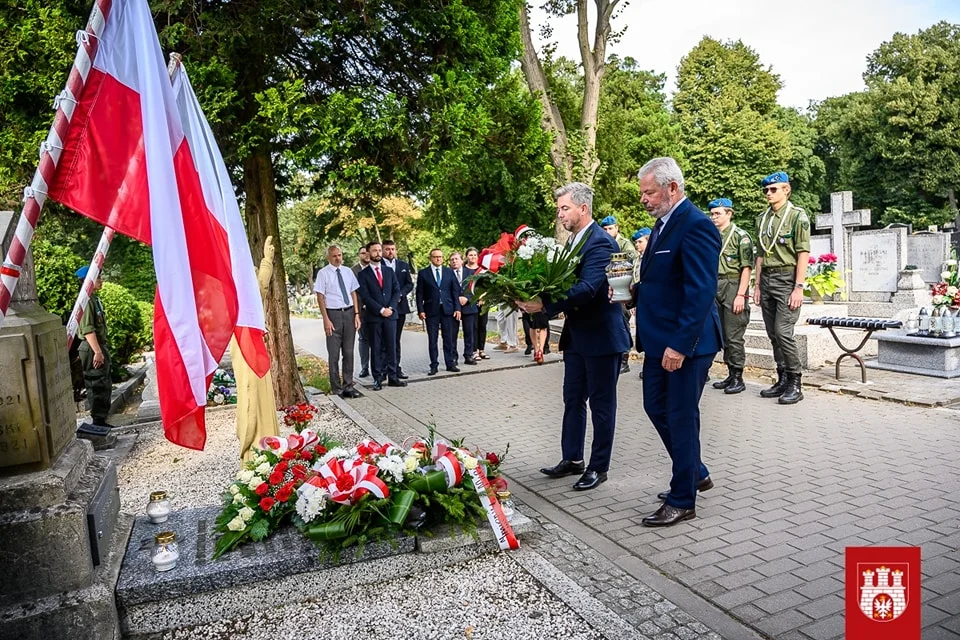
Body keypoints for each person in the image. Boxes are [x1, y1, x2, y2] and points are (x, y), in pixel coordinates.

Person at [518, 182, 630, 492]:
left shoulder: (601, 243)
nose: (560, 213)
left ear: (583, 208)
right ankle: (572, 458)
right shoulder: (570, 243)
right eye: (559, 209)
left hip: (602, 338)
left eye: (565, 208)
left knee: (602, 405)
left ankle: (598, 467)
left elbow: (588, 288)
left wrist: (545, 305)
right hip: (578, 337)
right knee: (572, 400)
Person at [632, 157, 722, 527]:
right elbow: (661, 281)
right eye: (642, 193)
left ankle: (683, 497)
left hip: (686, 343)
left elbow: (700, 291)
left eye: (649, 192)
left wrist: (680, 345)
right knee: (656, 407)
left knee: (682, 418)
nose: (644, 200)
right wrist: (629, 291)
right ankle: (695, 470)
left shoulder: (696, 225)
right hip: (657, 340)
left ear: (672, 188)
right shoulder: (662, 225)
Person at [753, 171, 810, 405]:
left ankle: (796, 382)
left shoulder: (797, 216)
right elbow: (759, 254)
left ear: (786, 190)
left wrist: (799, 287)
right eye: (766, 190)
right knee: (772, 334)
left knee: (784, 332)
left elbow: (803, 253)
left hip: (787, 279)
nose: (768, 193)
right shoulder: (761, 218)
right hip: (766, 278)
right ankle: (782, 378)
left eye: (773, 189)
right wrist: (756, 285)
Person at [232, 236, 280, 459]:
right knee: (251, 392)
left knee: (261, 392)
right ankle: (253, 448)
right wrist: (266, 262)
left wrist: (266, 262)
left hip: (252, 336)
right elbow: (257, 290)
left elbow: (258, 290)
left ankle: (266, 440)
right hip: (243, 339)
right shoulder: (232, 276)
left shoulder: (240, 271)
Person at [709, 199, 755, 395]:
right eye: (712, 214)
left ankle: (738, 376)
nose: (714, 217)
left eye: (718, 213)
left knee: (734, 333)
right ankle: (729, 373)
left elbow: (746, 267)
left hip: (733, 283)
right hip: (714, 283)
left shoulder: (740, 237)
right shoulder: (711, 236)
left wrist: (741, 295)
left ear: (729, 214)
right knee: (720, 333)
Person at [356, 242, 406, 391]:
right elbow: (365, 296)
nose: (378, 253)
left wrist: (390, 307)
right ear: (368, 253)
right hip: (374, 317)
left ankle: (393, 376)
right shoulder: (363, 274)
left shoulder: (389, 271)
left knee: (392, 346)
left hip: (391, 315)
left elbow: (397, 291)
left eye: (379, 250)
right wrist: (380, 310)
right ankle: (377, 378)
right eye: (374, 251)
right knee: (376, 348)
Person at [314, 244, 362, 399]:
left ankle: (348, 386)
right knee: (334, 354)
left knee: (348, 352)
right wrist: (326, 319)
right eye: (334, 255)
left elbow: (353, 292)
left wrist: (356, 314)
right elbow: (320, 297)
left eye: (340, 255)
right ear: (328, 257)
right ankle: (337, 388)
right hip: (333, 314)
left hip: (348, 313)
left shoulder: (348, 272)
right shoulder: (323, 273)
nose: (338, 258)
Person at [76, 266, 114, 428]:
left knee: (103, 382)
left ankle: (101, 418)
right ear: (88, 281)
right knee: (97, 383)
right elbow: (87, 329)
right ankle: (98, 421)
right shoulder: (85, 301)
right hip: (92, 347)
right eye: (98, 278)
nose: (101, 280)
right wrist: (97, 352)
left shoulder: (93, 299)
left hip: (97, 346)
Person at [415, 248, 462, 375]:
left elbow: (455, 292)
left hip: (447, 310)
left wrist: (457, 308)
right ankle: (434, 365)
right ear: (431, 258)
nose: (438, 259)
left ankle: (450, 363)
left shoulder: (449, 272)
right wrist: (421, 310)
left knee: (448, 338)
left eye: (440, 257)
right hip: (431, 311)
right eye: (436, 257)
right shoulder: (424, 273)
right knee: (433, 339)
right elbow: (419, 294)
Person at [601, 215, 636, 374]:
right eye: (605, 229)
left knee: (623, 323)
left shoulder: (625, 244)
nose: (608, 231)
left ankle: (624, 358)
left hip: (622, 289)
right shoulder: (602, 242)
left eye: (610, 228)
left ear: (617, 228)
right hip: (609, 289)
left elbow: (629, 266)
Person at [381, 240, 413, 379]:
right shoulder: (379, 266)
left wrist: (400, 294)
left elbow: (409, 284)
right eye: (387, 249)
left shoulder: (403, 265)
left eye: (393, 249)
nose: (390, 252)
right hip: (385, 307)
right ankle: (383, 369)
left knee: (396, 340)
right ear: (382, 250)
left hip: (400, 307)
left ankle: (395, 367)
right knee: (383, 340)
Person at [449, 252, 478, 365]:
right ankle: (453, 356)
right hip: (453, 308)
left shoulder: (471, 273)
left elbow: (476, 289)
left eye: (456, 259)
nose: (454, 261)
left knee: (469, 332)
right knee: (452, 334)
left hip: (469, 306)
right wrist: (457, 299)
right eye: (452, 260)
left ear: (462, 260)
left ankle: (469, 355)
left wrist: (467, 298)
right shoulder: (447, 274)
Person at [465, 247, 490, 360]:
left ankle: (482, 350)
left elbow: (487, 285)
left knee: (482, 326)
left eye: (475, 255)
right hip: (470, 302)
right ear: (466, 257)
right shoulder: (464, 270)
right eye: (470, 255)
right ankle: (474, 350)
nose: (473, 257)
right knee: (473, 326)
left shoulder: (482, 270)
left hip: (483, 302)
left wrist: (483, 297)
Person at [351, 246, 371, 377]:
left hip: (375, 310)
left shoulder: (375, 268)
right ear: (359, 255)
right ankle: (364, 367)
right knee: (363, 339)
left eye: (367, 253)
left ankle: (379, 366)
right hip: (361, 310)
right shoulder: (353, 271)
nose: (366, 255)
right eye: (363, 253)